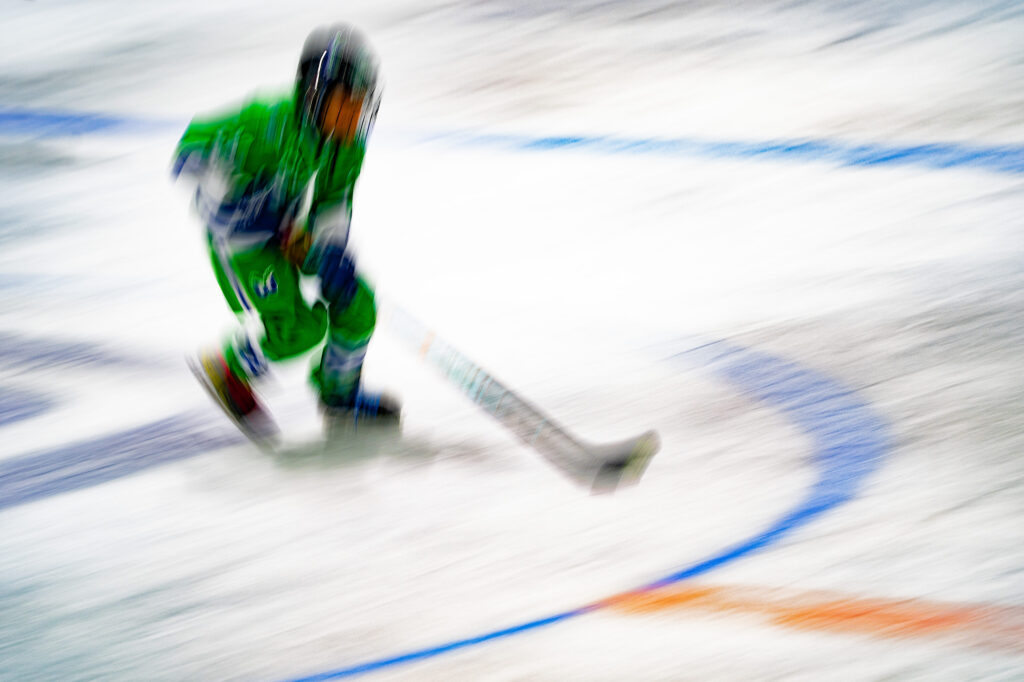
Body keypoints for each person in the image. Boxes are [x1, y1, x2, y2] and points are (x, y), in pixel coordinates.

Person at [173, 24, 399, 439]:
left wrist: (331, 252)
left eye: (360, 104)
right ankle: (229, 369)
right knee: (297, 331)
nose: (353, 116)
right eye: (344, 104)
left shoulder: (347, 145)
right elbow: (186, 152)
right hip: (241, 242)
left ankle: (339, 394)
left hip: (286, 230)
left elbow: (333, 204)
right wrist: (243, 205)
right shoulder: (266, 120)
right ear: (314, 94)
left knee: (358, 304)